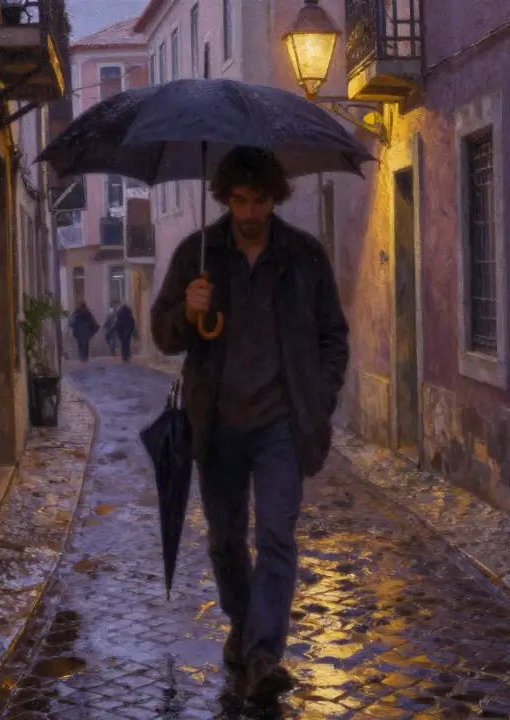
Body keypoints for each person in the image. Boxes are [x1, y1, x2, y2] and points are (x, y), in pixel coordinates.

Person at [150, 147, 349, 699]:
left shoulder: (304, 257)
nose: (249, 211)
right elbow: (162, 335)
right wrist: (186, 312)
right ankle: (244, 628)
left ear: (274, 197)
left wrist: (321, 396)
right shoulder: (200, 254)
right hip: (216, 426)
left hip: (281, 425)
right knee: (223, 542)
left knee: (277, 535)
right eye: (239, 200)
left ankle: (262, 655)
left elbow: (334, 336)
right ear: (226, 199)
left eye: (259, 199)